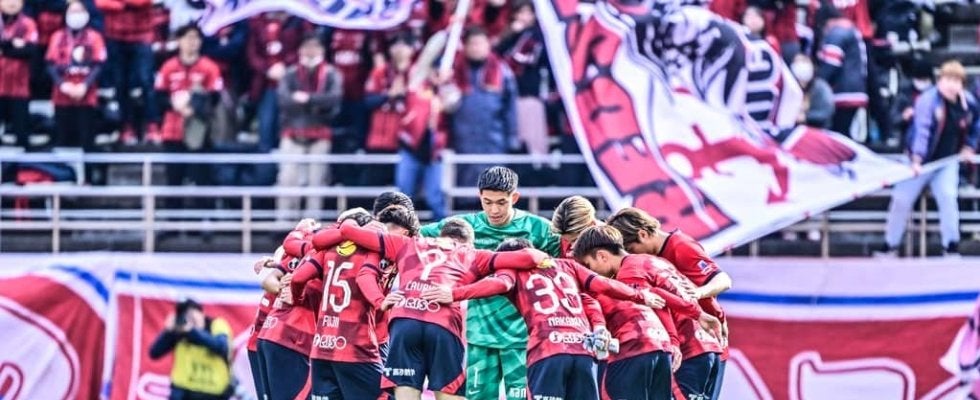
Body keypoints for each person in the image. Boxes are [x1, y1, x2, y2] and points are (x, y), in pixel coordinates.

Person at [422, 238, 667, 400]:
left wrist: (453, 293)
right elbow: (600, 286)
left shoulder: (513, 270)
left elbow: (499, 284)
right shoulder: (567, 266)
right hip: (583, 352)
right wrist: (640, 295)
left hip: (548, 351)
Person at [337, 217, 550, 400]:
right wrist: (455, 294)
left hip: (404, 321)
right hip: (442, 324)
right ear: (468, 241)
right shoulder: (473, 254)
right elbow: (526, 261)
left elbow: (347, 231)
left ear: (442, 236)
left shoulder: (408, 243)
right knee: (449, 393)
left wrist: (379, 300)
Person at [418, 166, 561, 400]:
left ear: (515, 197)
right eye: (488, 202)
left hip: (523, 336)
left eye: (501, 202)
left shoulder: (539, 229)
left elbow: (570, 261)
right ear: (480, 197)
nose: (494, 210)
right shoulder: (465, 227)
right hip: (480, 334)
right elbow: (412, 235)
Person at [571, 225, 724, 400]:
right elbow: (659, 298)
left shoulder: (627, 273)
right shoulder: (656, 261)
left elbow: (654, 300)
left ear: (602, 256)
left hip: (684, 347)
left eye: (588, 265)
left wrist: (677, 337)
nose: (589, 272)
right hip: (704, 343)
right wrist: (702, 315)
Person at [605, 207, 733, 400]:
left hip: (700, 341)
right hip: (699, 341)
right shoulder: (653, 259)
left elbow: (724, 280)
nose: (628, 256)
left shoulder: (680, 246)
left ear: (643, 234)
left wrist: (699, 292)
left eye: (630, 249)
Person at [880, 60, 980, 257]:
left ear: (962, 84)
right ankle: (890, 244)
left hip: (946, 161)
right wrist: (917, 159)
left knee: (948, 197)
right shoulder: (927, 101)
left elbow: (976, 124)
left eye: (956, 81)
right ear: (940, 80)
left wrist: (969, 146)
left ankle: (951, 245)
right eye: (948, 80)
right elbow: (922, 131)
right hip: (919, 161)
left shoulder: (968, 103)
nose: (951, 85)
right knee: (901, 199)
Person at [290, 210, 388, 400]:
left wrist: (297, 297)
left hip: (322, 347)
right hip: (356, 347)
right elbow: (366, 280)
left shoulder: (327, 249)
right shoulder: (372, 250)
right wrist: (381, 302)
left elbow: (298, 278)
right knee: (393, 393)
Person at [365, 33, 447, 218]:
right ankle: (401, 228)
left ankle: (447, 231)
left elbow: (452, 105)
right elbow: (428, 54)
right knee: (403, 194)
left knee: (435, 197)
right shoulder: (414, 86)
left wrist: (443, 92)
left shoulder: (440, 91)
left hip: (434, 147)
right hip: (410, 144)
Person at [275, 34, 343, 221]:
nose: (310, 51)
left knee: (317, 182)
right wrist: (316, 103)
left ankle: (313, 226)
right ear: (300, 50)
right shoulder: (290, 73)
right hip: (292, 132)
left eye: (314, 47)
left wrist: (308, 99)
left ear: (322, 50)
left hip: (320, 133)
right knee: (287, 179)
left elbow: (334, 99)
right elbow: (283, 100)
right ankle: (283, 224)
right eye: (306, 47)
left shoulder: (331, 74)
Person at [153, 24, 223, 207]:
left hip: (200, 131)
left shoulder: (209, 67)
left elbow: (215, 97)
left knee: (202, 177)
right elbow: (158, 97)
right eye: (188, 38)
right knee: (173, 178)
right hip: (172, 130)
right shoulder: (168, 67)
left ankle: (203, 219)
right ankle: (173, 220)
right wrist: (174, 105)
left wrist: (194, 108)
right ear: (179, 41)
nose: (192, 42)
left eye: (196, 38)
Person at [443, 27, 519, 187]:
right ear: (465, 47)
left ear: (488, 45)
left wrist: (512, 137)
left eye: (480, 43)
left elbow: (510, 108)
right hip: (463, 140)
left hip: (494, 140)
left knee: (495, 188)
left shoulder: (502, 71)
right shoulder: (452, 72)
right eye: (472, 44)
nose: (476, 48)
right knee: (466, 188)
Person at [256, 222, 323, 400]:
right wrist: (291, 289)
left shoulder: (298, 252)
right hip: (292, 337)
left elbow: (269, 280)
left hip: (269, 333)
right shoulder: (326, 255)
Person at [45, 0, 105, 182]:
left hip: (86, 97)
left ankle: (87, 180)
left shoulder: (94, 37)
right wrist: (63, 85)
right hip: (62, 97)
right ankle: (63, 179)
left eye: (79, 11)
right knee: (63, 139)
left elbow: (99, 64)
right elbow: (50, 64)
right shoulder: (57, 36)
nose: (76, 15)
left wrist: (84, 86)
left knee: (87, 140)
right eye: (72, 11)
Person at [96, 0, 157, 144]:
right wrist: (126, 5)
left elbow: (143, 2)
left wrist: (119, 3)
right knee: (120, 83)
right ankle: (126, 127)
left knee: (146, 81)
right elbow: (101, 3)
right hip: (115, 37)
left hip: (142, 36)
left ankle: (152, 126)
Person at [149, 299, 234, 400]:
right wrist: (168, 332)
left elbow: (221, 347)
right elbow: (154, 353)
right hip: (184, 392)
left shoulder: (217, 325)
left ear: (202, 313)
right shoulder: (179, 330)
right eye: (186, 316)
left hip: (214, 393)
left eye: (192, 315)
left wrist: (192, 331)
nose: (189, 320)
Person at [816, 6, 868, 139]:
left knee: (839, 134)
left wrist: (817, 84)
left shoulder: (837, 34)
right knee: (844, 131)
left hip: (843, 92)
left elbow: (831, 63)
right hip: (856, 89)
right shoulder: (851, 30)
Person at [0, 0, 37, 149]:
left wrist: (4, 48)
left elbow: (30, 51)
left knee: (21, 135)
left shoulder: (28, 23)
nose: (12, 3)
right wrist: (13, 45)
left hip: (19, 88)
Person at [891, 58, 933, 149]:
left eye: (925, 79)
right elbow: (892, 119)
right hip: (907, 139)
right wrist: (904, 117)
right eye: (919, 79)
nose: (922, 82)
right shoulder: (904, 95)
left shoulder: (934, 96)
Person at [790, 53, 834, 129]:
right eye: (797, 61)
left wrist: (806, 117)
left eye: (804, 61)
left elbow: (827, 112)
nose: (801, 65)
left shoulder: (821, 87)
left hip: (817, 129)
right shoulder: (789, 86)